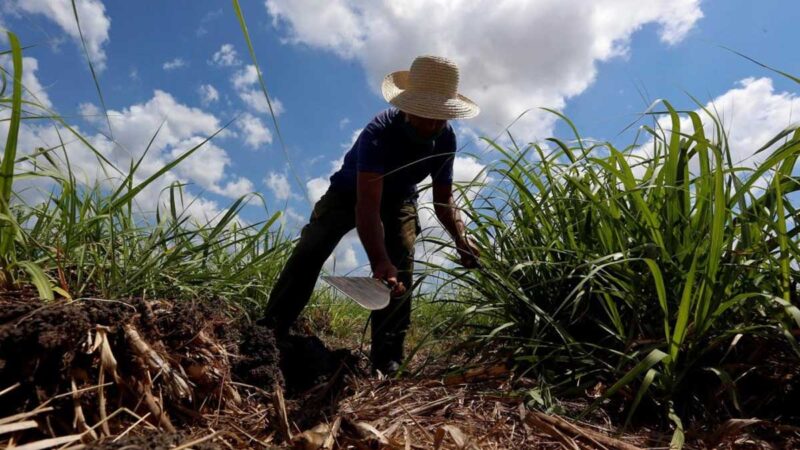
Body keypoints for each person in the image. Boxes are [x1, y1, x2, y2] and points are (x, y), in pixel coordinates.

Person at [258, 55, 481, 375]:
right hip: (349, 193)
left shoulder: (445, 139)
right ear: (407, 106)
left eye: (440, 118)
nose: (432, 125)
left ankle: (387, 357)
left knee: (401, 260)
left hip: (402, 197)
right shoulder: (380, 132)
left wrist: (461, 238)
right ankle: (271, 329)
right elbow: (366, 206)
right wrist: (378, 261)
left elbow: (443, 200)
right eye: (425, 115)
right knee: (313, 247)